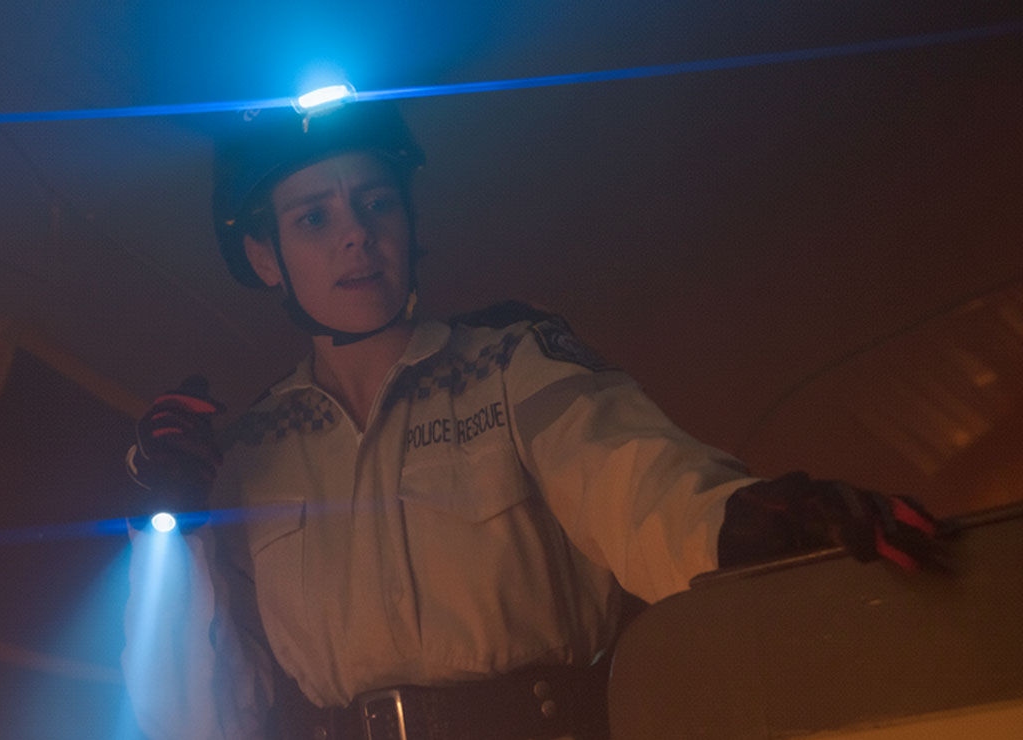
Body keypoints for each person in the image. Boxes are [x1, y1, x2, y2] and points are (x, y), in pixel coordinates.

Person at [122, 98, 940, 740]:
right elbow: (191, 720)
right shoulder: (248, 455)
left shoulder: (513, 366)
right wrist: (171, 527)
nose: (358, 237)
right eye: (314, 219)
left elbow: (636, 483)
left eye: (377, 204)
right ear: (264, 257)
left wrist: (747, 523)